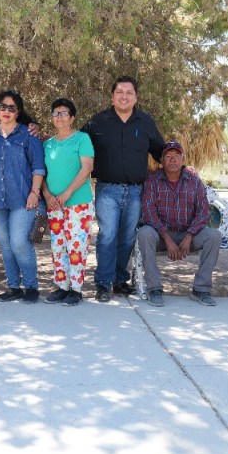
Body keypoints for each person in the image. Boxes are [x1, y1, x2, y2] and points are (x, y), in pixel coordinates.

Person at [82, 76, 164, 302]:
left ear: (135, 97)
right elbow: (78, 145)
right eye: (119, 91)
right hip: (107, 189)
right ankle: (103, 283)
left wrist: (183, 168)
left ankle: (119, 281)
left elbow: (161, 152)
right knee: (107, 236)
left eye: (129, 92)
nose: (124, 96)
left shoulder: (145, 122)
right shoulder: (98, 122)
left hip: (137, 191)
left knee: (127, 237)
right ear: (112, 96)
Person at [0, 90, 47, 303]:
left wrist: (35, 193)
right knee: (5, 243)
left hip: (23, 199)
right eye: (2, 107)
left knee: (18, 242)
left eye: (11, 107)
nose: (6, 111)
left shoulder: (28, 135)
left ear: (18, 111)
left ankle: (32, 286)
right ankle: (13, 286)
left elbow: (38, 167)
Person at [135, 141, 223, 307]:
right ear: (162, 160)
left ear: (183, 159)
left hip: (188, 234)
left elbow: (203, 212)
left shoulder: (194, 181)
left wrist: (189, 236)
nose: (172, 160)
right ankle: (154, 289)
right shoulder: (152, 180)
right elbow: (149, 213)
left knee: (214, 236)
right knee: (144, 233)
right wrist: (167, 239)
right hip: (161, 235)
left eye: (176, 156)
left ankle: (201, 289)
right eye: (168, 156)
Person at [42, 98, 94, 306]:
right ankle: (62, 286)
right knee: (58, 246)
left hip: (77, 203)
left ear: (72, 117)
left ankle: (76, 289)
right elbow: (42, 172)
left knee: (76, 246)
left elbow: (87, 168)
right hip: (54, 205)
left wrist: (66, 193)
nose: (59, 117)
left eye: (64, 113)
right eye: (56, 113)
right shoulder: (47, 144)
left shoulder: (82, 139)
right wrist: (47, 194)